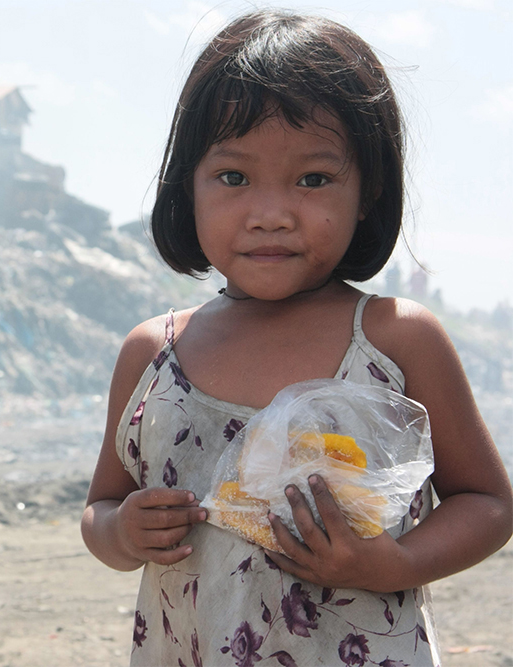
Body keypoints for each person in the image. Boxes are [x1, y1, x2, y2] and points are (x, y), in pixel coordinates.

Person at [80, 10, 513, 667]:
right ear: (187, 186)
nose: (271, 214)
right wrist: (122, 531)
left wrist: (395, 562)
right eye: (234, 177)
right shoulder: (154, 355)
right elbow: (101, 508)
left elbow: (487, 502)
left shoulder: (395, 340)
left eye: (313, 179)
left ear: (368, 193)